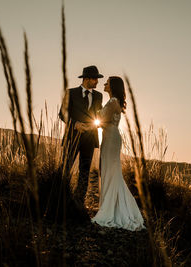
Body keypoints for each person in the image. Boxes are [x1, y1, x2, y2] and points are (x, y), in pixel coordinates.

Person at [91, 76, 145, 231]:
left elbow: (101, 117)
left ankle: (111, 209)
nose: (105, 84)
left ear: (113, 86)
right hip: (109, 137)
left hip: (111, 139)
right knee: (109, 171)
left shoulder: (113, 101)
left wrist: (95, 112)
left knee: (111, 171)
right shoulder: (114, 101)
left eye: (107, 82)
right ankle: (110, 205)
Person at [59, 65, 103, 211]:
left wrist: (94, 125)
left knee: (85, 171)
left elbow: (99, 115)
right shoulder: (70, 93)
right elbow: (62, 114)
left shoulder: (98, 96)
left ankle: (79, 203)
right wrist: (74, 123)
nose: (97, 82)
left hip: (89, 139)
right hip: (72, 137)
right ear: (86, 79)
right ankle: (60, 198)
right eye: (95, 79)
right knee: (66, 168)